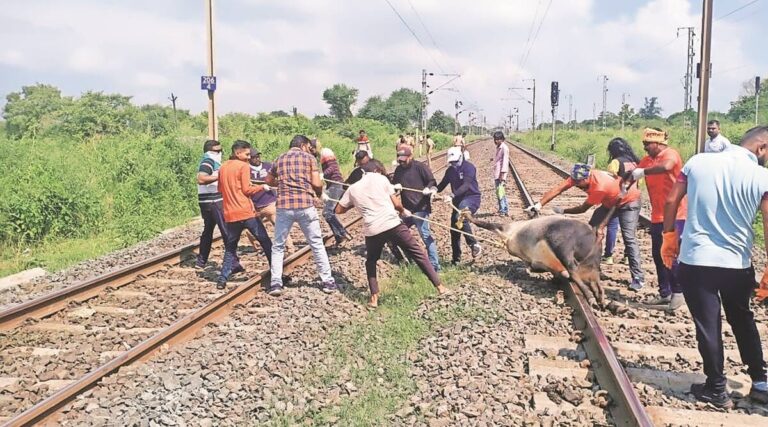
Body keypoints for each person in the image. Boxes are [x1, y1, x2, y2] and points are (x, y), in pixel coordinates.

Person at [661, 125, 768, 408]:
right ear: (761, 148)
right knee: (743, 319)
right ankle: (760, 382)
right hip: (737, 265)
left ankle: (716, 388)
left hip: (697, 262)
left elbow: (672, 199)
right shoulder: (763, 176)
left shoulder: (698, 162)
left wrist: (669, 237)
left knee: (708, 325)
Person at [336, 159, 448, 308]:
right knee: (417, 252)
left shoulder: (353, 189)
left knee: (371, 261)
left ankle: (374, 299)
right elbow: (396, 204)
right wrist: (403, 211)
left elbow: (338, 210)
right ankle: (440, 287)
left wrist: (354, 203)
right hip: (392, 224)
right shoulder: (381, 179)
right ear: (375, 170)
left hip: (372, 230)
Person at [526, 163, 645, 290]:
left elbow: (582, 209)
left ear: (586, 178)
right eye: (574, 181)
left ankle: (638, 277)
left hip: (629, 202)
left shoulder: (599, 187)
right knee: (591, 232)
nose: (576, 184)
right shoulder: (578, 176)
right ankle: (592, 269)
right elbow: (559, 189)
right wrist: (539, 204)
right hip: (610, 201)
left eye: (578, 182)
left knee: (629, 238)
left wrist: (564, 211)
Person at [265, 135, 337, 296]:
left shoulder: (279, 158)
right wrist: (318, 193)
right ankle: (327, 281)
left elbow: (268, 179)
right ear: (303, 145)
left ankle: (276, 282)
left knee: (278, 245)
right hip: (305, 205)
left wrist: (281, 184)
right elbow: (317, 183)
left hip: (284, 207)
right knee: (316, 244)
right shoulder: (309, 158)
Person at [629, 128, 687, 309]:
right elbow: (634, 173)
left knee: (671, 253)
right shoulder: (647, 161)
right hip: (657, 215)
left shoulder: (671, 154)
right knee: (658, 255)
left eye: (648, 144)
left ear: (659, 143)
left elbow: (667, 166)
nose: (645, 147)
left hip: (677, 214)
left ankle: (678, 292)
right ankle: (665, 293)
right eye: (644, 144)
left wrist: (643, 172)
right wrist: (624, 184)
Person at [216, 140, 273, 290]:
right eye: (247, 154)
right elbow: (247, 190)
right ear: (237, 153)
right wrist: (262, 187)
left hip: (230, 214)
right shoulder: (243, 166)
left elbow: (220, 189)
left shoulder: (223, 167)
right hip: (246, 213)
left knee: (230, 248)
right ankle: (277, 273)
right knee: (265, 241)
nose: (249, 157)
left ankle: (222, 278)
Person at [392, 145, 440, 271]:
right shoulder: (398, 170)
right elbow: (394, 184)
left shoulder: (420, 167)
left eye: (404, 160)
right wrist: (395, 187)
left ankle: (435, 266)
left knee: (425, 236)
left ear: (410, 157)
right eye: (400, 160)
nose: (402, 162)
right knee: (397, 235)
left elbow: (432, 181)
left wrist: (428, 188)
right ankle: (411, 261)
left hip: (420, 207)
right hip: (406, 209)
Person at [195, 139, 241, 270]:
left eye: (221, 150)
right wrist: (221, 176)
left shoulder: (212, 161)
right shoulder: (208, 161)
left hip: (206, 201)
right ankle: (233, 263)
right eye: (217, 151)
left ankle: (201, 261)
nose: (220, 153)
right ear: (209, 151)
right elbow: (201, 178)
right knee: (227, 231)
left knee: (208, 231)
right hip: (213, 201)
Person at [437, 147, 482, 264]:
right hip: (458, 201)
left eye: (455, 161)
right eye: (451, 162)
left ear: (461, 157)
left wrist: (452, 195)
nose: (454, 164)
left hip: (471, 198)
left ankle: (474, 244)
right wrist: (432, 190)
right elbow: (441, 185)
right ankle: (456, 260)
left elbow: (466, 185)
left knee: (461, 217)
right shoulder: (450, 171)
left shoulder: (469, 168)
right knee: (454, 229)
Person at [602, 137, 641, 265]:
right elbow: (640, 182)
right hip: (634, 198)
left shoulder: (615, 162)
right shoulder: (636, 162)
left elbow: (610, 181)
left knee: (612, 226)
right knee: (630, 230)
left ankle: (608, 256)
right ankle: (627, 257)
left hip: (618, 198)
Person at [319, 147, 353, 245]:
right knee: (329, 214)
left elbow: (331, 169)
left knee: (327, 213)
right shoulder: (327, 162)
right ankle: (339, 237)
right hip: (332, 187)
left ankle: (343, 233)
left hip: (336, 186)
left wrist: (322, 174)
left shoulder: (331, 163)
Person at [248, 148, 277, 226]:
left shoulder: (268, 166)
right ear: (249, 159)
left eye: (258, 156)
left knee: (279, 226)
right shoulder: (246, 169)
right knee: (253, 231)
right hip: (255, 205)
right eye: (254, 157)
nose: (257, 159)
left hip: (270, 202)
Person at [492, 131, 510, 216]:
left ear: (502, 139)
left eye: (497, 139)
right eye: (495, 139)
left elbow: (505, 162)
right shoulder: (499, 147)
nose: (495, 141)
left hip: (500, 174)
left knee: (500, 192)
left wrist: (502, 176)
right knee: (500, 192)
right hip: (498, 173)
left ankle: (503, 210)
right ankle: (504, 209)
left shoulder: (504, 148)